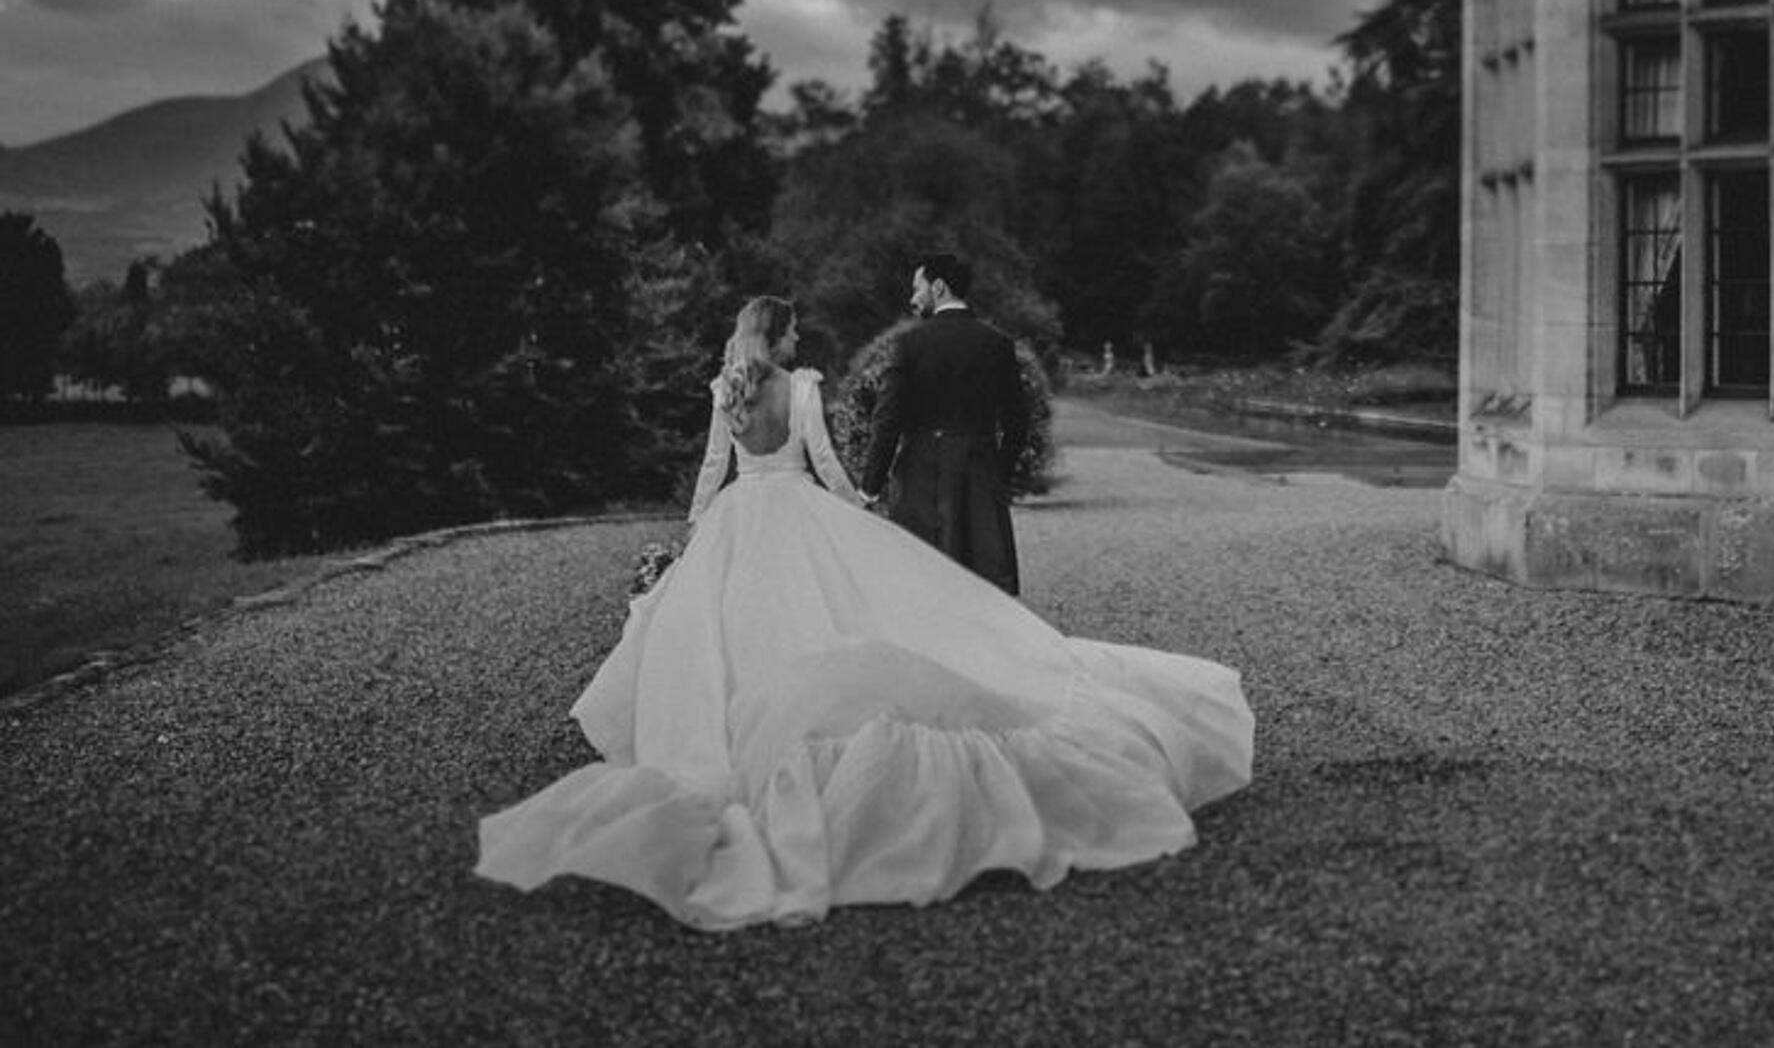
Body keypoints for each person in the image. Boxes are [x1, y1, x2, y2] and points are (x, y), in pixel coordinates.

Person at [475, 295, 1254, 929]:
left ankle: (737, 738)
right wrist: (863, 513)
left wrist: (691, 538)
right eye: (795, 329)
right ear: (780, 337)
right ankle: (809, 737)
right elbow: (826, 469)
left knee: (730, 637)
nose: (800, 337)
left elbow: (714, 469)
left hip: (739, 518)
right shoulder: (805, 388)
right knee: (828, 620)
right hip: (800, 514)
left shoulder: (726, 392)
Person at [859, 253, 1027, 595]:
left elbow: (887, 421)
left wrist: (869, 487)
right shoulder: (998, 344)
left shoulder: (909, 344)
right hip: (981, 474)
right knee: (983, 585)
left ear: (938, 287)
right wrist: (999, 474)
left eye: (917, 288)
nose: (912, 298)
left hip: (922, 475)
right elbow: (1018, 421)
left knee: (924, 584)